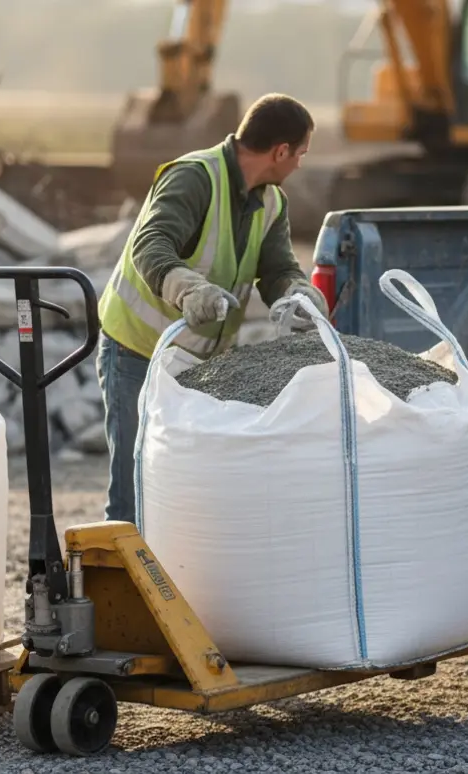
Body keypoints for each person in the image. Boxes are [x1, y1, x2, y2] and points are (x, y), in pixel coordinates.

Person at [94, 92, 329, 523]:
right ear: (280, 151)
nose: (300, 164)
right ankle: (117, 586)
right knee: (134, 489)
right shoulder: (195, 177)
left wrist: (297, 292)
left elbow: (277, 268)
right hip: (137, 352)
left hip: (199, 366)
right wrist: (187, 288)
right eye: (300, 154)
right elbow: (152, 243)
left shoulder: (272, 203)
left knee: (182, 488)